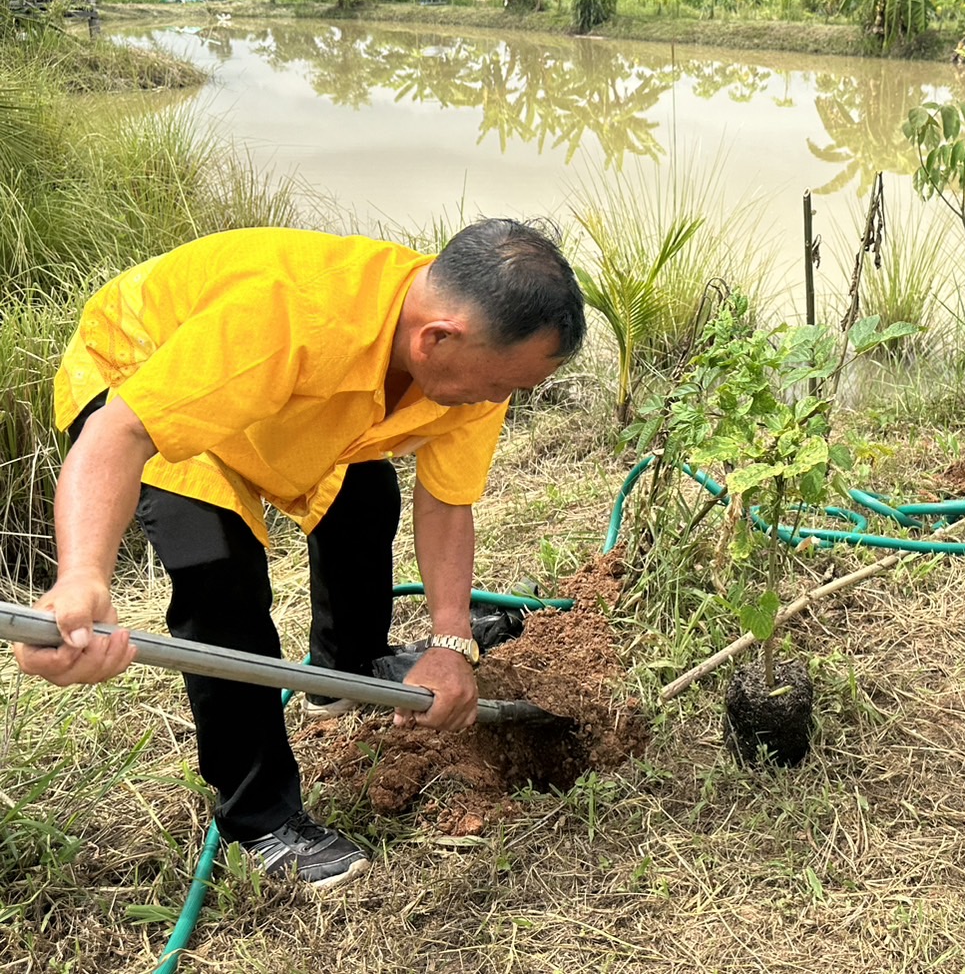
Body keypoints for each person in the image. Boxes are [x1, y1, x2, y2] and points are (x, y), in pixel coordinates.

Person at [13, 219, 586, 889]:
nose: (500, 402)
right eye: (501, 386)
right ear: (436, 340)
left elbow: (447, 501)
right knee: (220, 583)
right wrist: (83, 577)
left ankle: (346, 666)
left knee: (363, 495)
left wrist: (450, 642)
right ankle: (259, 820)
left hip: (270, 391)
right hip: (150, 372)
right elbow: (122, 430)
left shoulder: (471, 350)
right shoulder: (291, 312)